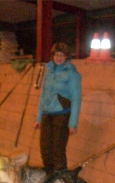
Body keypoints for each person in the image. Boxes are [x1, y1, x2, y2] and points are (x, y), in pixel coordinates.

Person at [33, 42, 82, 175]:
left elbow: (76, 99)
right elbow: (43, 95)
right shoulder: (49, 72)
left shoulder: (72, 74)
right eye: (56, 54)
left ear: (67, 57)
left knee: (58, 149)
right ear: (52, 56)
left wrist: (72, 123)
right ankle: (49, 175)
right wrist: (38, 118)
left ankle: (61, 178)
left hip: (62, 115)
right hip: (47, 114)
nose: (58, 57)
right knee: (45, 148)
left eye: (62, 55)